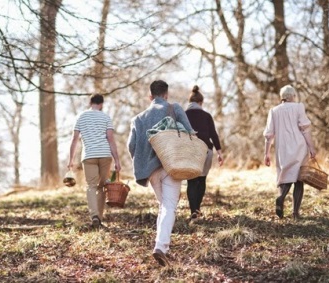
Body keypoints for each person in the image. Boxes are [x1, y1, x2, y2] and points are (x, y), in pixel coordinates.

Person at [127, 80, 195, 267]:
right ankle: (161, 247)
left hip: (150, 170)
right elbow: (190, 133)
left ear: (150, 96)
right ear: (166, 94)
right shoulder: (174, 109)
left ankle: (162, 245)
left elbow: (131, 146)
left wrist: (141, 160)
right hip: (171, 166)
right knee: (169, 206)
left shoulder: (138, 118)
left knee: (164, 206)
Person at [68, 94, 121, 229]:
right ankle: (100, 218)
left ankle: (94, 216)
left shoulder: (81, 117)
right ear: (102, 104)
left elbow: (74, 140)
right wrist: (117, 160)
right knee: (102, 186)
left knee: (91, 186)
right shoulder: (106, 117)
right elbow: (110, 139)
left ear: (90, 102)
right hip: (104, 155)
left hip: (89, 156)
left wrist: (71, 160)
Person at [263, 85, 316, 220]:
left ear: (282, 97)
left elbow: (269, 135)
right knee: (299, 179)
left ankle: (281, 197)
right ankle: (295, 213)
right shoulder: (299, 107)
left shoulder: (274, 111)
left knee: (285, 175)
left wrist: (266, 153)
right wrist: (311, 148)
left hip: (283, 148)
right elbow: (305, 129)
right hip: (299, 146)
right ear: (292, 96)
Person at [185, 85, 224, 220]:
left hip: (189, 151)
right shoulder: (206, 116)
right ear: (201, 103)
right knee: (201, 180)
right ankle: (197, 209)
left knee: (191, 181)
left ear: (190, 102)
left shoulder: (183, 115)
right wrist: (219, 153)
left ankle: (193, 212)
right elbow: (213, 134)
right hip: (205, 150)